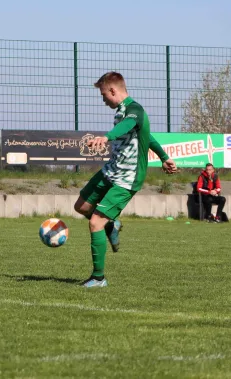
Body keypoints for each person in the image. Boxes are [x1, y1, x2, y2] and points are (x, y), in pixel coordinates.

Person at [74, 72, 177, 288]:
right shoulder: (122, 111)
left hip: (128, 178)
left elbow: (126, 128)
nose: (103, 100)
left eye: (104, 95)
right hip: (112, 170)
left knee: (95, 223)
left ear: (113, 90)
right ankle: (112, 226)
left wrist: (106, 137)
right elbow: (147, 137)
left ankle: (98, 278)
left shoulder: (134, 110)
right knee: (82, 206)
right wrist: (165, 157)